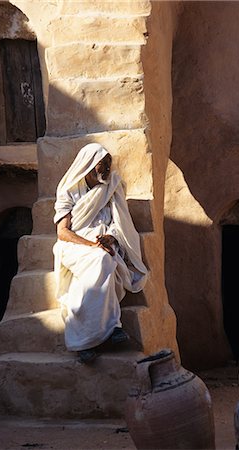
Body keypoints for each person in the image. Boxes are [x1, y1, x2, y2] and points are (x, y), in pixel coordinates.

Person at [53, 143, 148, 363]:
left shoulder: (113, 186)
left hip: (103, 242)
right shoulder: (68, 190)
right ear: (87, 165)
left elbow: (120, 223)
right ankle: (111, 327)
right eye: (101, 164)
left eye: (108, 163)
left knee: (105, 259)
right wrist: (90, 244)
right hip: (75, 245)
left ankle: (85, 341)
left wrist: (112, 238)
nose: (106, 168)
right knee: (102, 260)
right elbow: (63, 233)